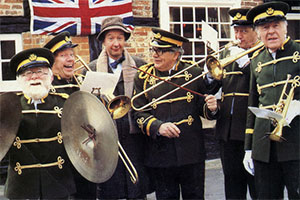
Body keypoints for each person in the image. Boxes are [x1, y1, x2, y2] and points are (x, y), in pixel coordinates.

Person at [132, 28, 218, 199]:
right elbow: (138, 112)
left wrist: (212, 107)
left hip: (191, 152)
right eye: (153, 50)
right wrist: (158, 126)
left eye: (161, 50)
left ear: (176, 54)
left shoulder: (193, 73)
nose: (155, 55)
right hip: (160, 154)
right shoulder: (143, 76)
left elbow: (203, 109)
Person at [88, 16, 152, 199]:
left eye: (120, 38)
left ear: (125, 40)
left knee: (136, 189)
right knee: (110, 191)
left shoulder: (140, 66)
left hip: (134, 138)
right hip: (108, 140)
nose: (116, 43)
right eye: (111, 38)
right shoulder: (91, 69)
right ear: (103, 42)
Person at [243, 1, 300, 199]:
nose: (271, 32)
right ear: (258, 33)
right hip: (263, 146)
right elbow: (253, 104)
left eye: (276, 26)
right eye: (265, 28)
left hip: (296, 143)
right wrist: (248, 148)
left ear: (285, 27)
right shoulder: (257, 61)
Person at [4, 48, 76, 199]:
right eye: (28, 73)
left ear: (50, 77)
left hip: (58, 184)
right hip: (21, 186)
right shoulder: (7, 106)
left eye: (41, 72)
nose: (34, 77)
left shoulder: (66, 103)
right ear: (20, 80)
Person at [205, 8, 259, 199]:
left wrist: (247, 63)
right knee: (233, 188)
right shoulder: (228, 52)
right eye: (236, 30)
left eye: (244, 31)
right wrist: (210, 76)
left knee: (257, 187)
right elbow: (211, 88)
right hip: (227, 131)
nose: (238, 35)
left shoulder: (262, 53)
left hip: (251, 130)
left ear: (255, 31)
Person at [44, 31, 97, 199]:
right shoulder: (45, 88)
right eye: (63, 55)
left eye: (72, 55)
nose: (71, 59)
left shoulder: (82, 83)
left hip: (85, 159)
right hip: (59, 162)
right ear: (52, 61)